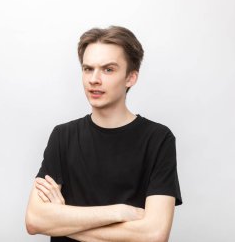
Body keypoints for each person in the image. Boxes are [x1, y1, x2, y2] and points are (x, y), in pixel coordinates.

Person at [25, 25, 182, 242]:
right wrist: (117, 212)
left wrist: (62, 221)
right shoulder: (63, 136)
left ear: (131, 78)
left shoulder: (158, 139)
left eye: (108, 69)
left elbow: (154, 235)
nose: (94, 79)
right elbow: (34, 220)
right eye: (88, 69)